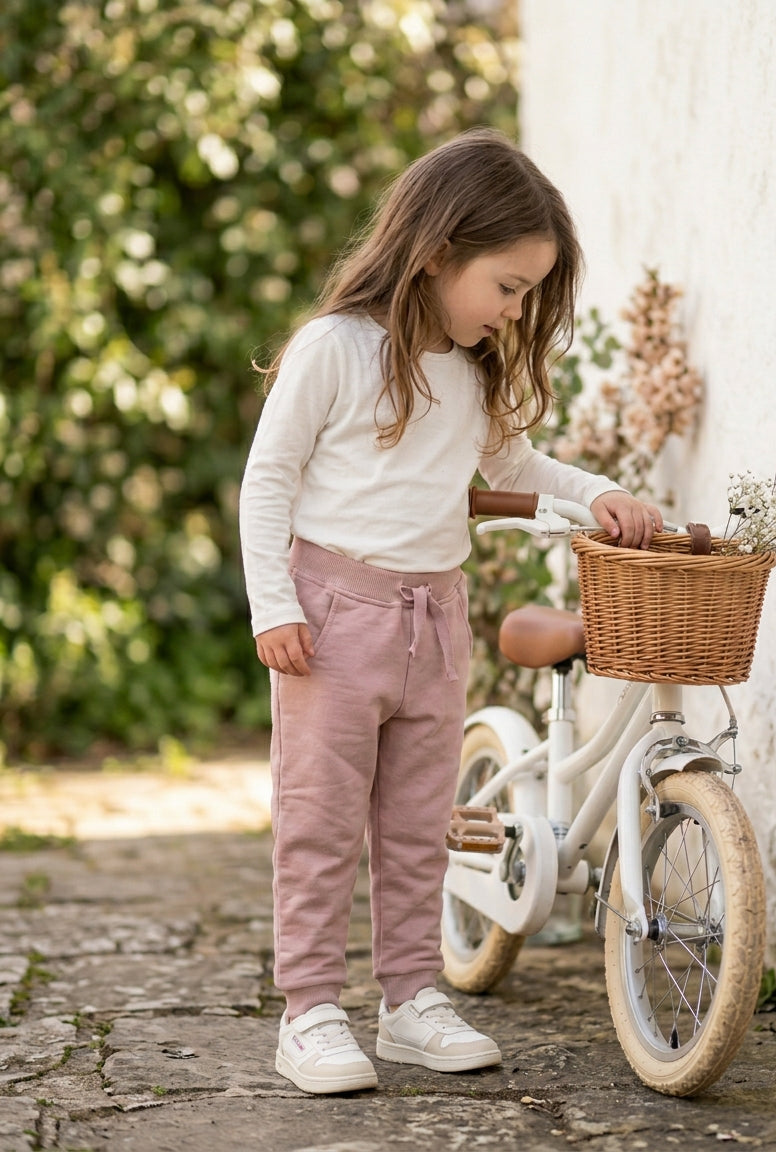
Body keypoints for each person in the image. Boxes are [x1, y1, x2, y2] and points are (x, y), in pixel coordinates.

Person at [239, 127, 663, 1096]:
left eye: (528, 294)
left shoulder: (471, 371)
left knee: (419, 818)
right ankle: (307, 1010)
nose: (513, 310)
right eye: (506, 286)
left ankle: (409, 1000)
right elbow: (269, 483)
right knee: (320, 819)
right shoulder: (337, 349)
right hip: (332, 616)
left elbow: (514, 469)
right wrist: (274, 604)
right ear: (437, 253)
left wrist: (597, 489)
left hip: (436, 618)